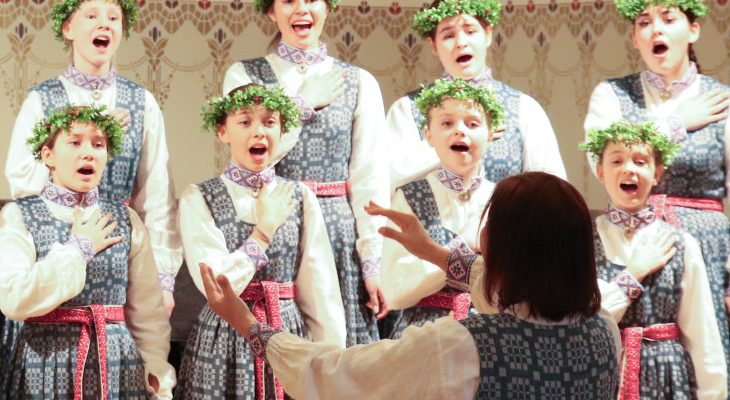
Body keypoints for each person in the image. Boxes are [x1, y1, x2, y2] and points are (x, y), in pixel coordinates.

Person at [198, 171, 621, 399]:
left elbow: (339, 375)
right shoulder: (603, 330)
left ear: (503, 246)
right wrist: (434, 252)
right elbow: (512, 292)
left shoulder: (460, 345)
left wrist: (248, 324)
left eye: (490, 227)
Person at [222, 0, 389, 346]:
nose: (301, 8)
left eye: (311, 0)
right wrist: (300, 104)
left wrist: (373, 259)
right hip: (276, 221)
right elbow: (249, 154)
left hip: (337, 232)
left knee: (340, 352)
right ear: (271, 11)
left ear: (327, 7)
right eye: (287, 1)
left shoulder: (360, 82)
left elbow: (369, 176)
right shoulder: (245, 75)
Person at [583, 0, 730, 385]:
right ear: (635, 37)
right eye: (645, 22)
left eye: (668, 19)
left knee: (709, 350)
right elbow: (601, 159)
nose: (656, 30)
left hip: (710, 250)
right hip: (630, 237)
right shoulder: (612, 95)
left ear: (693, 29)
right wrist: (677, 124)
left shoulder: (721, 99)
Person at [174, 84, 346, 399]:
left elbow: (320, 288)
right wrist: (263, 232)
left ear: (282, 130)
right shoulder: (198, 197)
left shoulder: (299, 196)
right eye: (245, 122)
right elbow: (219, 287)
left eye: (269, 122)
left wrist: (332, 362)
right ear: (222, 131)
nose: (259, 132)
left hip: (287, 337)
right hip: (225, 339)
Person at [0, 105, 175, 399]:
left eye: (98, 144)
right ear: (48, 156)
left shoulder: (125, 220)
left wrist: (155, 369)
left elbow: (148, 311)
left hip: (117, 366)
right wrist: (79, 248)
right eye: (74, 142)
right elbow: (13, 297)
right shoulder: (20, 216)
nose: (88, 153)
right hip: (45, 365)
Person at [581, 120, 727, 398]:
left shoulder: (681, 244)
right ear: (600, 171)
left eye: (640, 161)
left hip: (666, 379)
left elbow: (703, 335)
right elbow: (585, 317)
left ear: (656, 173)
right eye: (617, 161)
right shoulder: (582, 241)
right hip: (603, 373)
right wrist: (634, 273)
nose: (629, 169)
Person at [387, 0, 566, 190]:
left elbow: (551, 190)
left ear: (488, 34)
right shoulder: (407, 109)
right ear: (433, 45)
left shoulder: (524, 108)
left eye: (470, 31)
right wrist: (444, 142)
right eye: (448, 35)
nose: (461, 43)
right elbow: (385, 179)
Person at [382, 78, 501, 338]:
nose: (460, 131)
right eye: (447, 123)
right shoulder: (410, 197)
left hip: (489, 333)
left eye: (473, 123)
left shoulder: (503, 199)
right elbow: (394, 291)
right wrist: (459, 251)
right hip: (424, 334)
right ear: (429, 135)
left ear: (491, 133)